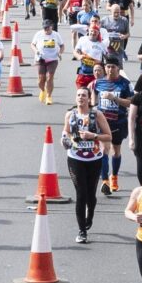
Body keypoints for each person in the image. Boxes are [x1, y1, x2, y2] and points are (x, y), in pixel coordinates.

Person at [61, 93, 111, 246]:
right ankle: (82, 230)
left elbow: (108, 136)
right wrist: (65, 140)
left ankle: (90, 215)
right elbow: (66, 132)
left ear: (89, 99)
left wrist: (93, 135)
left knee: (91, 194)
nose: (81, 98)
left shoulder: (97, 114)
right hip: (75, 159)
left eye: (84, 96)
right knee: (81, 193)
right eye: (78, 95)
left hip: (94, 159)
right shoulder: (70, 114)